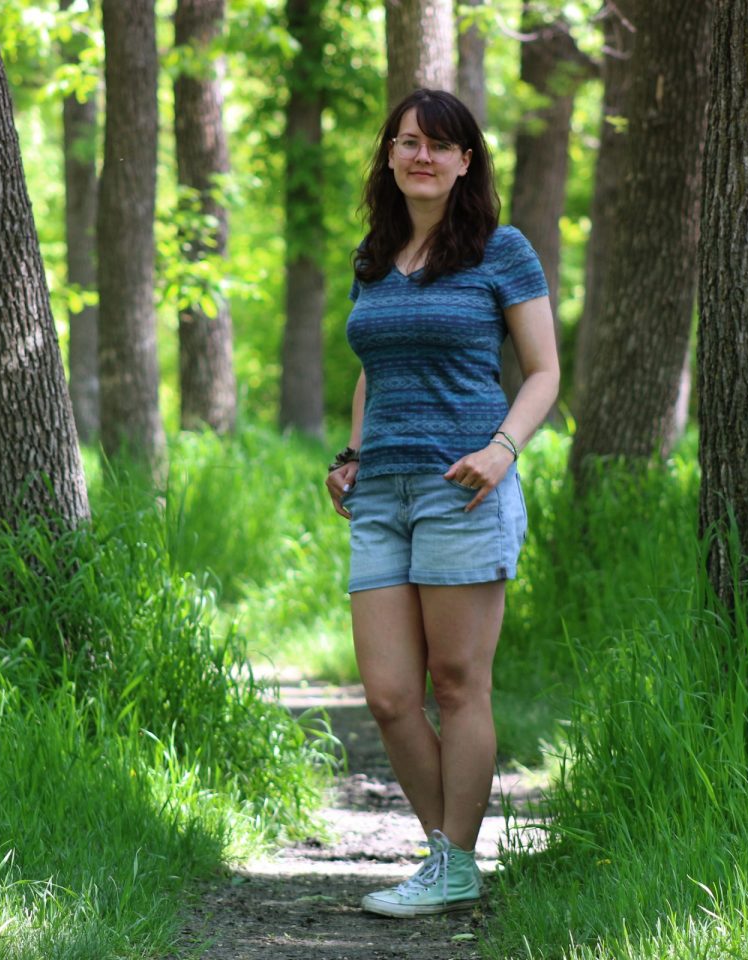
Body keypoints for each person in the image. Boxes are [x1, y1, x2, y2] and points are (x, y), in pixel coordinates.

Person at [325, 88, 560, 918]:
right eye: (408, 141)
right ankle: (443, 856)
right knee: (389, 695)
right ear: (389, 156)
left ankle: (454, 862)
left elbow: (542, 372)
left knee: (458, 682)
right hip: (381, 493)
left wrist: (502, 451)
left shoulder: (502, 252)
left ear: (467, 161)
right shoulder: (373, 256)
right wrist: (353, 454)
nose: (422, 155)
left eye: (441, 145)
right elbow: (372, 369)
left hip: (464, 490)